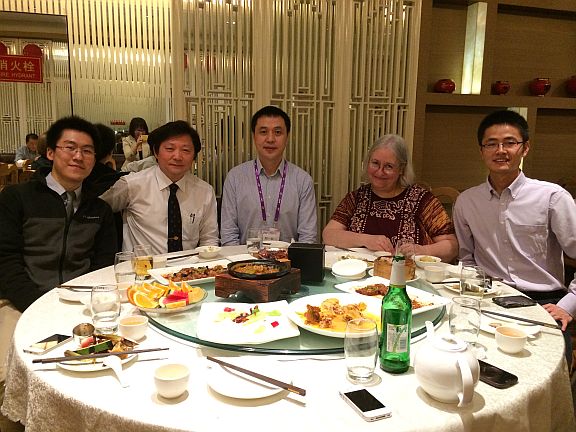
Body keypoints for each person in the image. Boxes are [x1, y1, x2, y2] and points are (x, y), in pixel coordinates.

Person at [0, 116, 117, 432]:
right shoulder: (17, 199)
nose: (79, 156)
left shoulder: (99, 209)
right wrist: (40, 306)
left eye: (88, 150)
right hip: (19, 301)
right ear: (50, 152)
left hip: (79, 307)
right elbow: (6, 263)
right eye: (70, 147)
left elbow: (103, 266)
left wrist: (88, 305)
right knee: (8, 376)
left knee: (103, 372)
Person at [453, 109, 576, 364]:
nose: (501, 150)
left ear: (525, 148)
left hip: (543, 302)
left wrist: (568, 304)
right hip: (488, 299)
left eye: (510, 142)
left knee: (546, 371)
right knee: (463, 362)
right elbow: (467, 258)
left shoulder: (551, 197)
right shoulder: (467, 201)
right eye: (491, 143)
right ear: (481, 151)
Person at [322, 135, 458, 262]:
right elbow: (328, 235)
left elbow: (452, 246)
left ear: (401, 169)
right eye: (375, 163)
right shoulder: (357, 198)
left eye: (388, 166)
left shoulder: (421, 200)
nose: (380, 172)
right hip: (360, 277)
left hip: (407, 279)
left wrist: (422, 250)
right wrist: (365, 239)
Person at [101, 120, 219, 254]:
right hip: (141, 270)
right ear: (156, 152)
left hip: (186, 271)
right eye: (170, 149)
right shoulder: (132, 184)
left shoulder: (204, 191)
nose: (177, 156)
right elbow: (96, 212)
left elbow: (209, 239)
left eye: (186, 150)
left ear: (194, 157)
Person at [220, 105, 317, 245]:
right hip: (244, 262)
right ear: (254, 136)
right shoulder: (235, 178)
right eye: (263, 132)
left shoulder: (302, 180)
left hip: (289, 263)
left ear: (287, 137)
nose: (270, 139)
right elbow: (228, 234)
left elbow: (308, 237)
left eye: (278, 132)